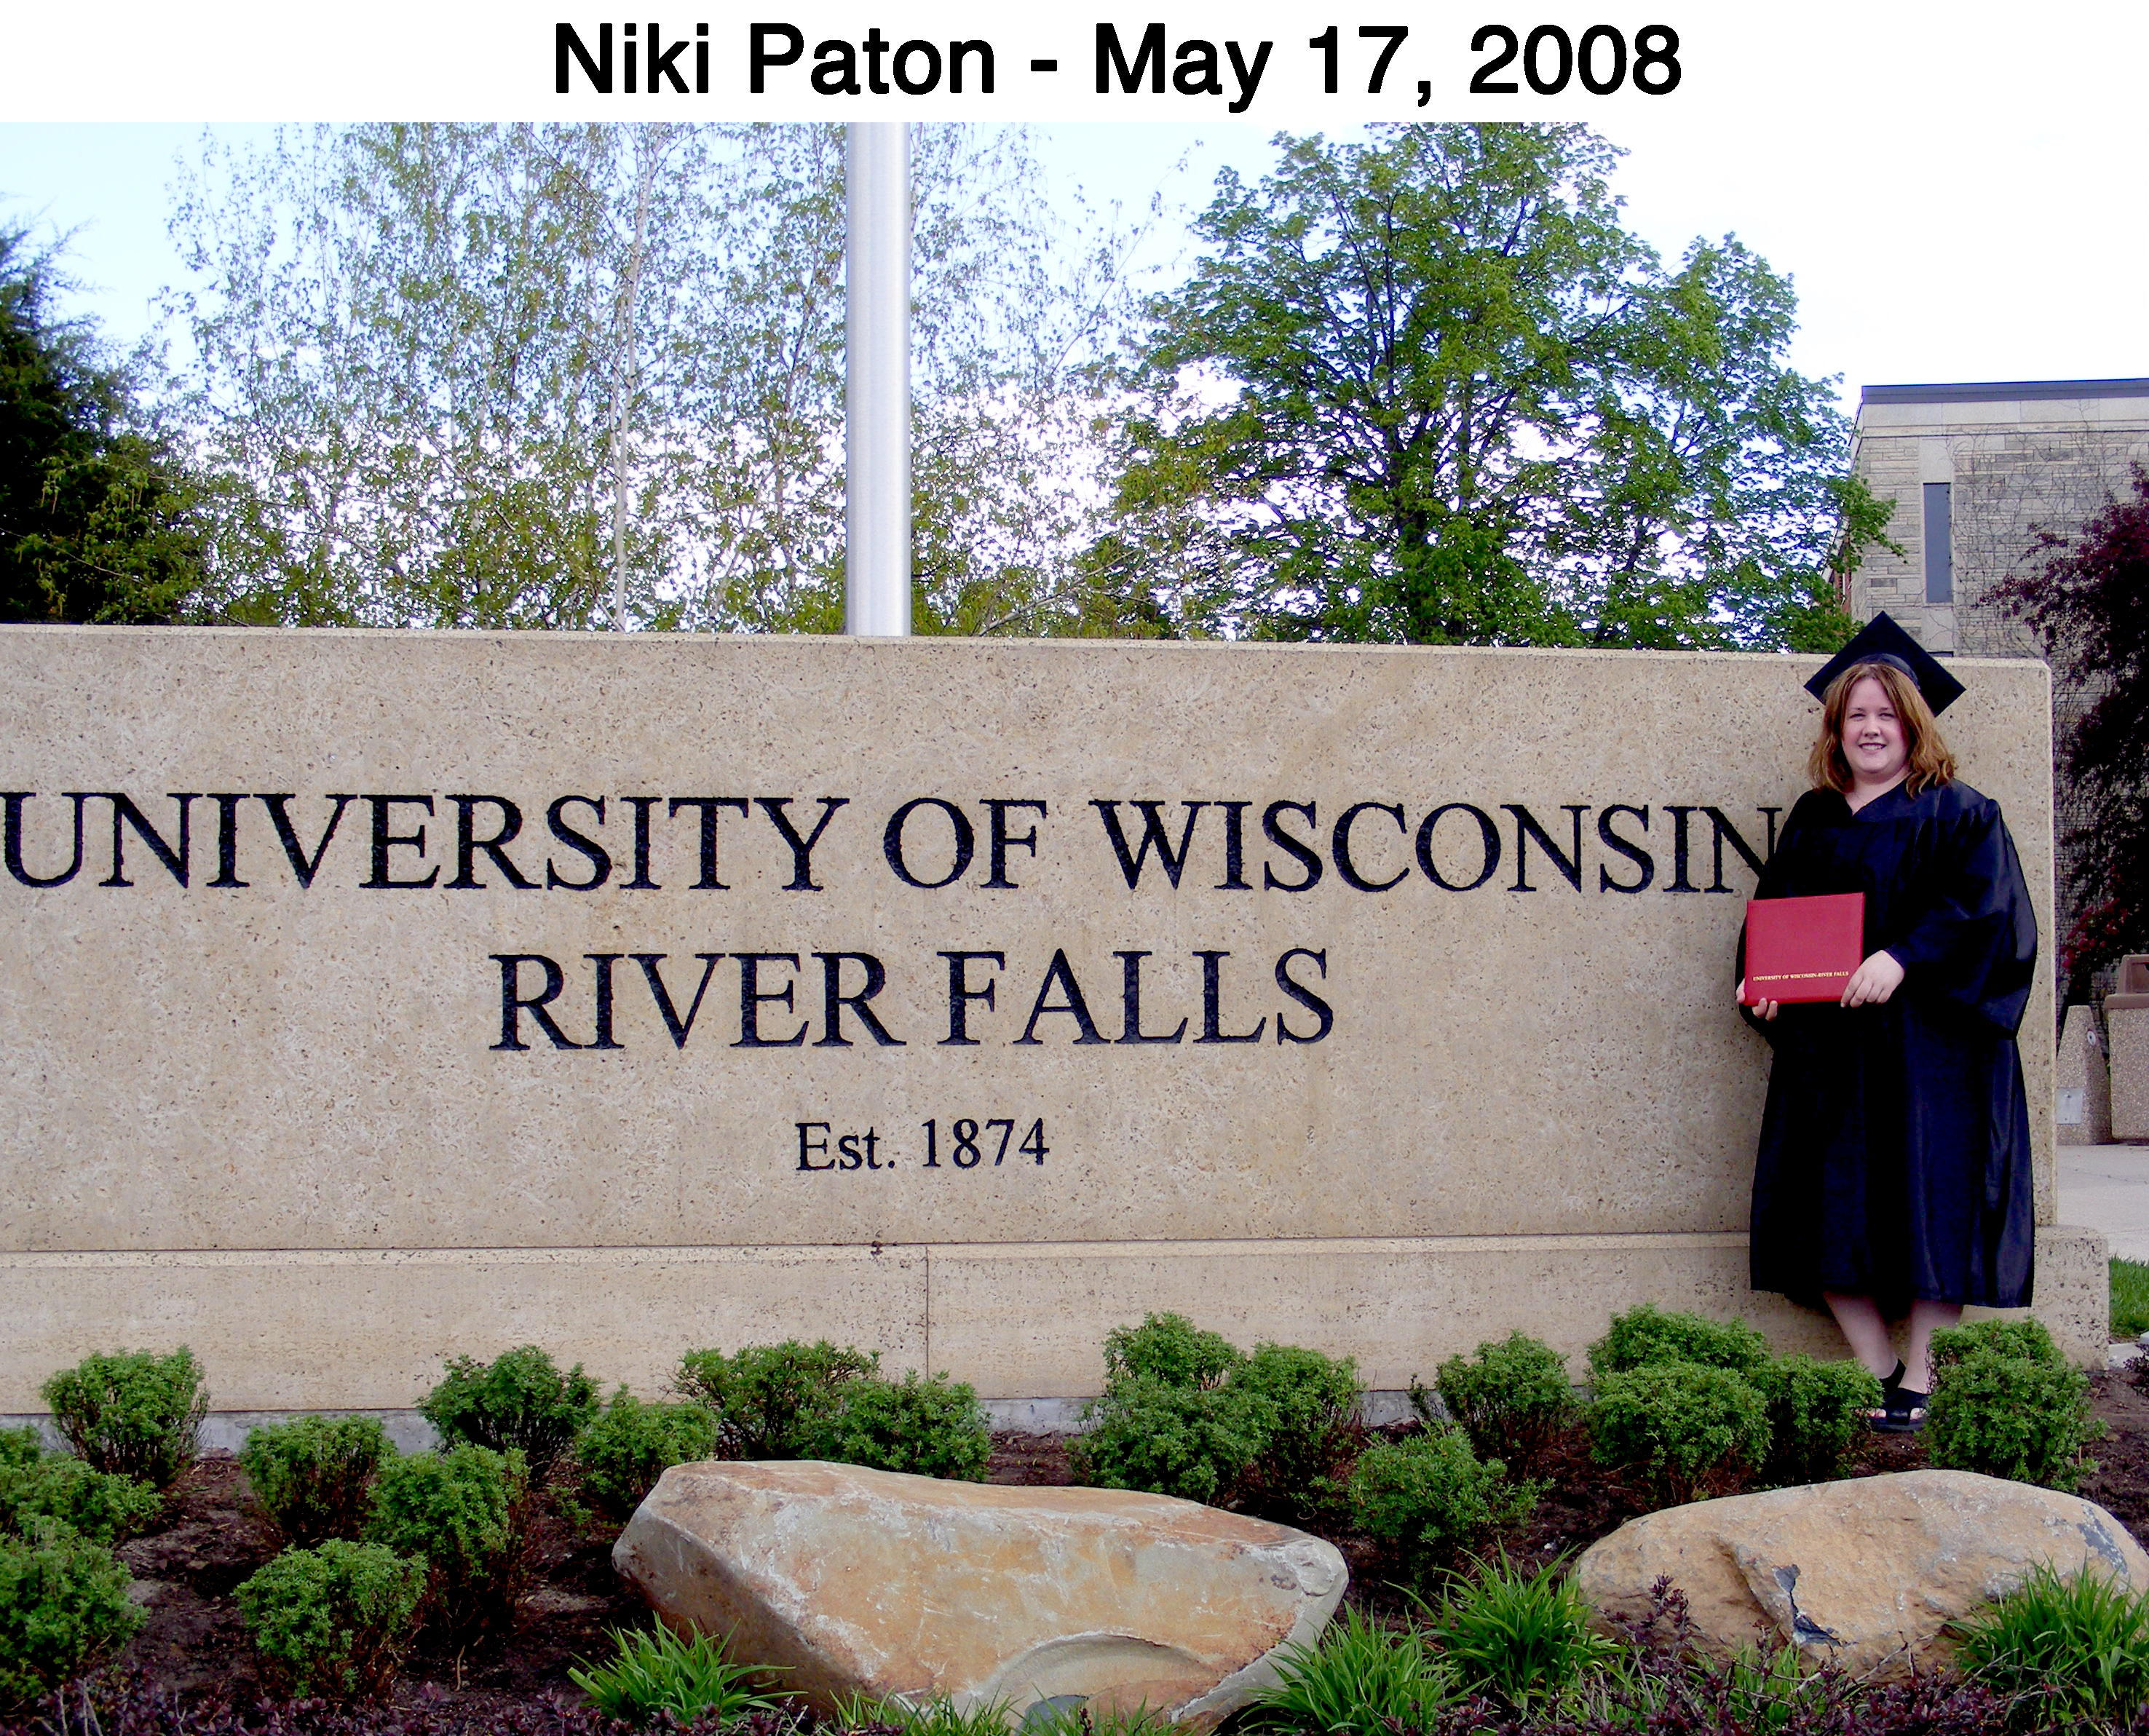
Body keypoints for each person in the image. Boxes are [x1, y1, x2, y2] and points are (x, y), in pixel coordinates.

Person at [1738, 614, 2039, 1433]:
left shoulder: (1960, 814)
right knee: (1824, 1211)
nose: (1870, 728)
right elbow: (1775, 916)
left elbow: (1989, 917)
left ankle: (1923, 1375)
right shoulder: (1814, 817)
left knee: (1931, 1207)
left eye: (1885, 714)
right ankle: (1881, 1375)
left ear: (1914, 723)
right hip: (1833, 1053)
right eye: (1854, 716)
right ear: (1836, 730)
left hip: (1931, 1055)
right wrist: (1759, 982)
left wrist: (1902, 957)